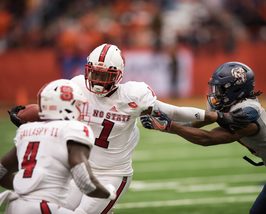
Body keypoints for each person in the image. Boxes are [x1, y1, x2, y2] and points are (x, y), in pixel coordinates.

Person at [8, 44, 249, 214]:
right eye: (94, 73)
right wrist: (25, 113)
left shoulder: (133, 95)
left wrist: (214, 115)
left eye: (105, 75)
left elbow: (171, 111)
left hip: (113, 172)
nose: (97, 80)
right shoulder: (77, 86)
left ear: (119, 75)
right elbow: (50, 106)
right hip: (80, 167)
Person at [141, 61, 266, 214]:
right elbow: (195, 123)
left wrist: (170, 125)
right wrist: (164, 126)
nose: (215, 93)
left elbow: (208, 138)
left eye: (220, 89)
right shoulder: (230, 104)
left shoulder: (249, 112)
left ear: (237, 90)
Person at [1, 79, 116, 214]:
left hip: (15, 206)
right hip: (43, 207)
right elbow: (84, 182)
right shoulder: (73, 129)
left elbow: (1, 172)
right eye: (78, 105)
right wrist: (108, 193)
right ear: (69, 106)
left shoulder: (26, 130)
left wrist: (26, 185)